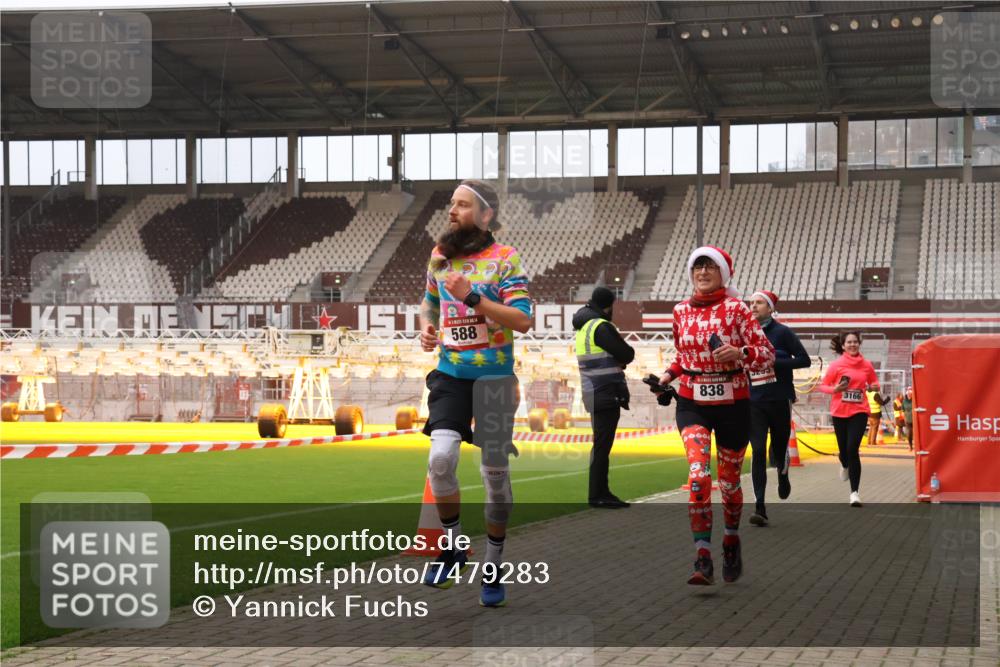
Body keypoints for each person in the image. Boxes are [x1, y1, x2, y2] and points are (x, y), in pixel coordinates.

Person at [418, 179, 533, 608]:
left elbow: (522, 320)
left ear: (486, 215)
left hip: (494, 380)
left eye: (463, 205)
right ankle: (454, 547)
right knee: (440, 460)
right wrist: (426, 327)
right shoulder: (439, 256)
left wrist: (473, 299)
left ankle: (494, 565)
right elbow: (428, 302)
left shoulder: (505, 258)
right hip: (450, 374)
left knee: (494, 480)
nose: (452, 210)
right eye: (452, 203)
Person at [658, 246, 775, 585]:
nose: (703, 272)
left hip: (733, 404)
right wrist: (666, 377)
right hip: (692, 403)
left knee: (729, 483)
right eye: (698, 266)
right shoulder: (680, 311)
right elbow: (682, 356)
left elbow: (767, 354)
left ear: (723, 273)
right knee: (698, 477)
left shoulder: (738, 310)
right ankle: (703, 557)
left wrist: (740, 352)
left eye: (710, 266)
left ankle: (731, 540)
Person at [746, 290, 811, 527]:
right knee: (758, 451)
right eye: (751, 303)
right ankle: (759, 507)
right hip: (754, 401)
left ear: (770, 308)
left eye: (759, 303)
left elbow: (804, 360)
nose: (753, 306)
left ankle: (783, 475)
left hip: (780, 399)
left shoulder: (782, 332)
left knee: (779, 447)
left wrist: (775, 361)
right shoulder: (744, 333)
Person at [573, 286, 635, 509]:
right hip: (606, 392)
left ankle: (600, 492)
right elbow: (627, 353)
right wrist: (621, 360)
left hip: (593, 392)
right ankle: (599, 494)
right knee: (602, 446)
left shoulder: (583, 328)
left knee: (600, 445)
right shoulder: (600, 326)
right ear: (609, 306)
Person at [818, 331, 880, 507]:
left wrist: (873, 387)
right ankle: (844, 464)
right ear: (843, 346)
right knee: (844, 451)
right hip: (839, 412)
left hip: (859, 411)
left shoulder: (866, 365)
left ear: (859, 344)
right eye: (849, 342)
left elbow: (875, 382)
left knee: (853, 449)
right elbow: (823, 386)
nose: (853, 345)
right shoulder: (836, 365)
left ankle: (854, 493)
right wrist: (835, 389)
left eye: (855, 342)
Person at [902, 386, 914, 451]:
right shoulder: (904, 401)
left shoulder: (914, 400)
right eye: (908, 394)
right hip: (907, 420)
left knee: (916, 434)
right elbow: (903, 410)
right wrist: (904, 418)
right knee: (909, 434)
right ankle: (910, 446)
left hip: (914, 419)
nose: (909, 395)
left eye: (911, 394)